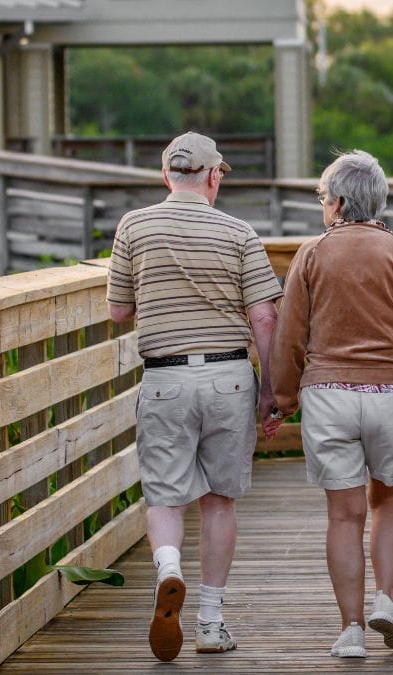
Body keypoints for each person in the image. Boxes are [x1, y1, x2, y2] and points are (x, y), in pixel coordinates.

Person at [267, 150, 393, 659]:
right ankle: (387, 601)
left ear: (340, 203)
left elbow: (290, 337)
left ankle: (351, 630)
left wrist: (280, 401)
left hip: (329, 396)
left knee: (344, 515)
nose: (323, 206)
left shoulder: (311, 254)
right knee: (390, 500)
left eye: (324, 198)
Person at [106, 131, 281, 662]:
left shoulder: (133, 226)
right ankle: (210, 620)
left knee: (164, 495)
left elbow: (118, 311)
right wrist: (270, 390)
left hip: (165, 378)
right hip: (228, 376)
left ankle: (168, 568)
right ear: (212, 176)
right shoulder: (239, 232)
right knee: (218, 499)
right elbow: (265, 317)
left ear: (166, 176)